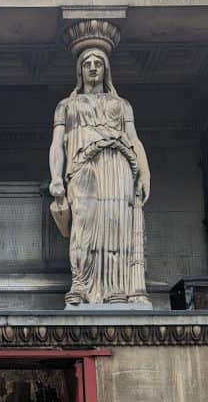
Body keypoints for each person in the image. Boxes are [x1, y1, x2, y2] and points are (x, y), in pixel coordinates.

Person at [49, 46, 150, 307]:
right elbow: (57, 144)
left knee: (116, 224)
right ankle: (80, 285)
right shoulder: (66, 106)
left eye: (98, 63)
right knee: (83, 224)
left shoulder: (121, 105)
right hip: (82, 167)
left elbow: (133, 138)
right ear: (80, 71)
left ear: (106, 70)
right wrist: (56, 177)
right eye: (87, 64)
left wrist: (144, 172)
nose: (93, 67)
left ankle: (116, 288)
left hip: (118, 166)